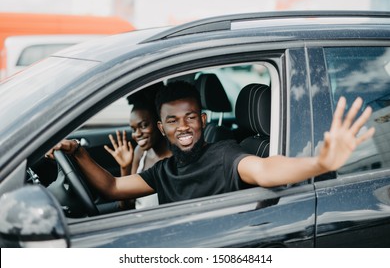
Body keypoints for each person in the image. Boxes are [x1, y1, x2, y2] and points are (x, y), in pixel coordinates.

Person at [47, 81, 375, 206]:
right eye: (173, 121)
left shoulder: (224, 154)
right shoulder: (164, 170)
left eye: (190, 117)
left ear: (203, 120)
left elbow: (265, 169)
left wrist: (321, 164)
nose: (183, 127)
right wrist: (77, 152)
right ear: (162, 127)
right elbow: (114, 188)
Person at [104, 94, 171, 209]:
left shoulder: (174, 159)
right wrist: (125, 168)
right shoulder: (140, 152)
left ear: (159, 124)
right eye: (134, 129)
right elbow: (126, 204)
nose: (137, 134)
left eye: (144, 125)